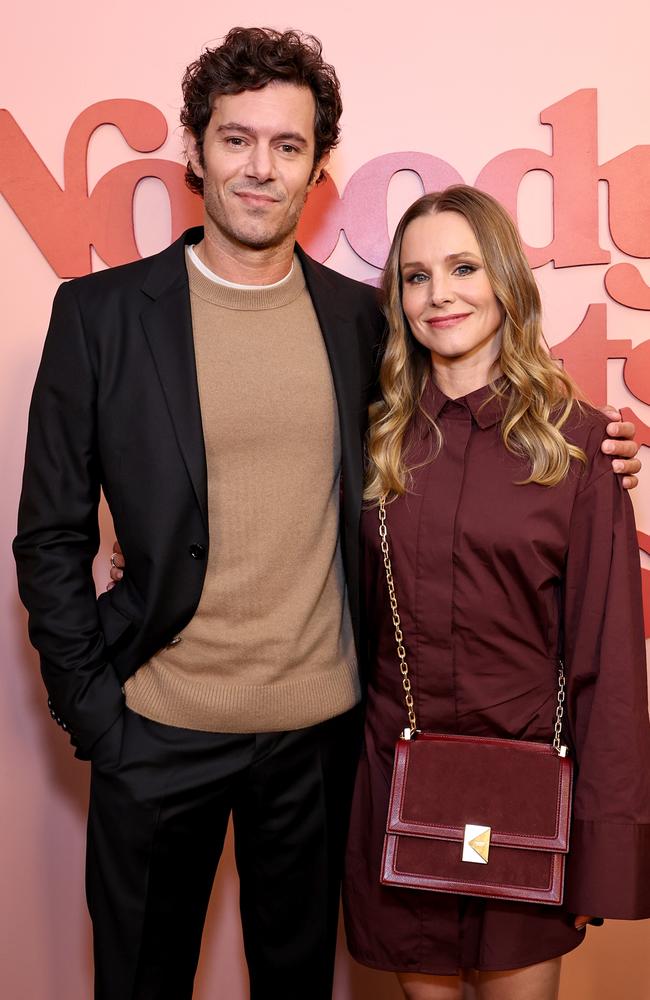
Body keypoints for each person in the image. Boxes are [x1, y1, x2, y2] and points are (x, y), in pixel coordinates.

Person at [13, 26, 639, 1000]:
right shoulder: (100, 316)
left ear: (315, 167)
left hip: (319, 756)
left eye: (288, 144)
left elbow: (479, 440)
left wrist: (602, 449)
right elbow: (50, 533)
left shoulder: (359, 323)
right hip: (155, 733)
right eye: (235, 139)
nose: (259, 167)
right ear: (194, 149)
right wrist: (98, 714)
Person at [342, 186, 650, 1000]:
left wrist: (605, 842)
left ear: (506, 281)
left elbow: (607, 665)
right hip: (398, 788)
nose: (438, 293)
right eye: (415, 276)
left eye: (463, 266)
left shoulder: (581, 446)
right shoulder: (370, 443)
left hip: (526, 798)